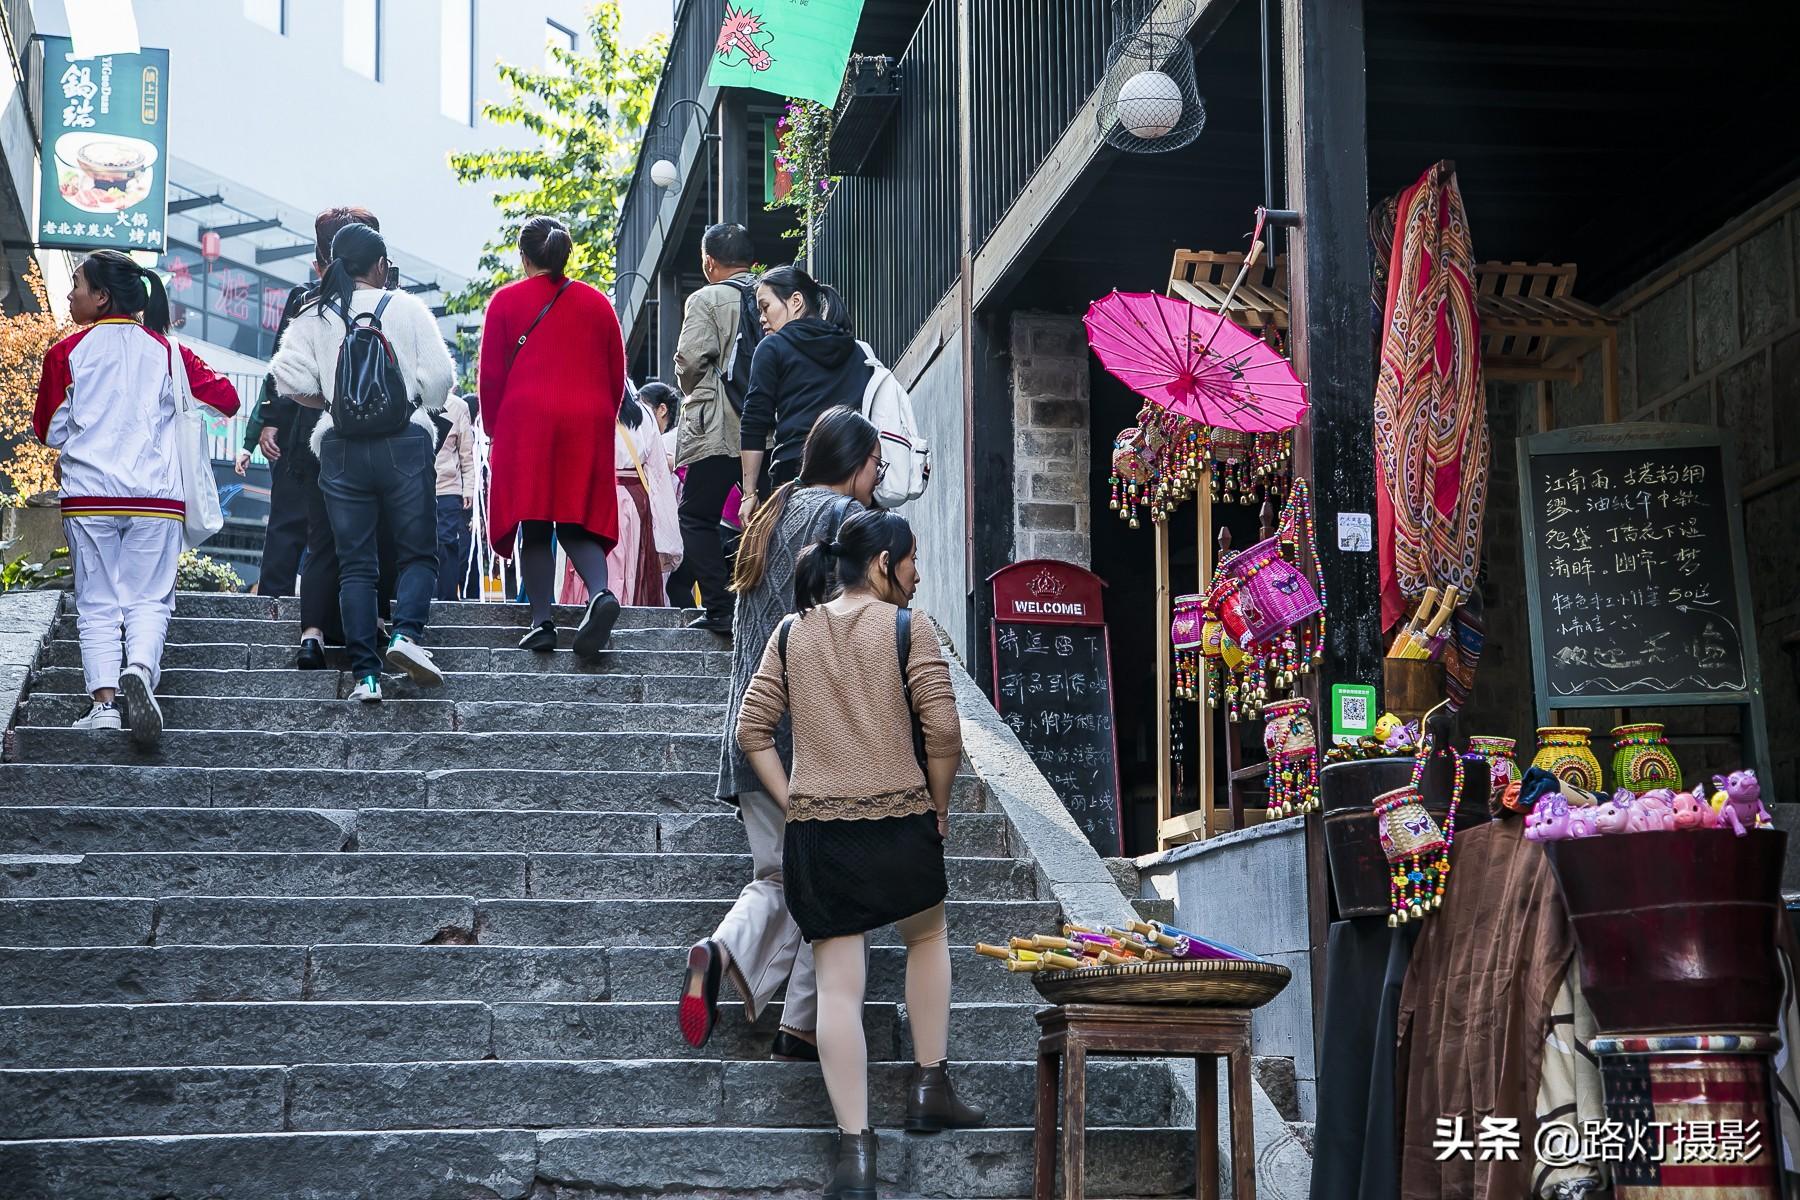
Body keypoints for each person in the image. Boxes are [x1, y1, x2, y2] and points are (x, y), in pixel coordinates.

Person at [735, 508, 984, 1196]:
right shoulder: (910, 628)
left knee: (839, 987)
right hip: (900, 820)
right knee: (927, 935)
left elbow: (752, 731)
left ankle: (856, 1153)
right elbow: (943, 731)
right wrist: (938, 803)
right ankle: (930, 1086)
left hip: (820, 835)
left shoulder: (790, 634)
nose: (918, 571)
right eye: (911, 560)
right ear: (882, 565)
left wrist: (794, 802)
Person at [677, 407, 883, 1065]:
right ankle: (798, 1029)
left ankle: (722, 951)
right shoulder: (838, 522)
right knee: (828, 880)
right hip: (805, 739)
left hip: (748, 737)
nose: (878, 478)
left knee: (778, 878)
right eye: (876, 465)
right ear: (853, 465)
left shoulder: (770, 512)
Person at [33, 249, 241, 747]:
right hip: (156, 499)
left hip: (90, 497)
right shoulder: (169, 352)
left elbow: (47, 430)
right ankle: (141, 673)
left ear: (102, 298)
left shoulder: (66, 354)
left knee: (97, 602)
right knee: (150, 600)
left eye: (77, 284)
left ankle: (104, 706)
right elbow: (228, 400)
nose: (69, 292)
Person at [270, 222, 453, 702]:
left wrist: (332, 401)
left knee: (355, 565)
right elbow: (438, 385)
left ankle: (366, 678)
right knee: (417, 553)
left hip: (340, 449)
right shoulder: (408, 308)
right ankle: (405, 636)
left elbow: (287, 379)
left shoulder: (314, 313)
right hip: (404, 444)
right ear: (381, 266)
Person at [480, 214, 626, 657]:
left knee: (537, 522)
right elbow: (616, 375)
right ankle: (600, 593)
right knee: (575, 519)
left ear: (524, 258)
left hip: (527, 421)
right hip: (587, 417)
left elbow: (490, 379)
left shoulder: (505, 303)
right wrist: (600, 420)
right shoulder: (598, 303)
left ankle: (542, 621)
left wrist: (494, 431)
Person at [673, 222, 760, 635]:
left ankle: (720, 606)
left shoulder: (705, 299)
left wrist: (696, 390)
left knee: (695, 515)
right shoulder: (769, 293)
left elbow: (690, 360)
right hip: (765, 428)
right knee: (767, 514)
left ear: (709, 262)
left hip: (716, 428)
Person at [737, 265, 872, 520]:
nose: (761, 318)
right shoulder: (856, 350)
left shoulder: (772, 347)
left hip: (797, 471)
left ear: (796, 301)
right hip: (853, 469)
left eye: (765, 307)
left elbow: (754, 422)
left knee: (796, 556)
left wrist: (750, 493)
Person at [602, 384, 682, 606]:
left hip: (599, 498)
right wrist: (669, 541)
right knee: (630, 574)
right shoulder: (645, 415)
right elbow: (658, 477)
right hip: (635, 503)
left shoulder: (588, 408)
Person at [432, 392, 478, 599]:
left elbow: (466, 454)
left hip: (448, 488)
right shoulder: (411, 398)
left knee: (447, 543)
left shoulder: (459, 407)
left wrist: (468, 489)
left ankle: (447, 600)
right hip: (416, 487)